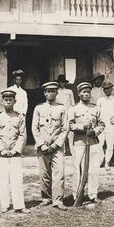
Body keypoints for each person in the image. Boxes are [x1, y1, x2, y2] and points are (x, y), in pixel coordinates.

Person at [0, 89, 30, 213]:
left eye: (10, 100)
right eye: (6, 100)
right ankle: (5, 205)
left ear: (14, 101)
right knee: (3, 180)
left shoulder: (20, 117)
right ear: (2, 101)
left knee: (17, 179)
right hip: (2, 154)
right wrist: (1, 150)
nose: (8, 102)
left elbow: (23, 135)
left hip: (15, 154)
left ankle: (19, 205)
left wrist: (16, 150)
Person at [32, 82, 69, 211]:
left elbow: (65, 129)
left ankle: (58, 200)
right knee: (44, 173)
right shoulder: (39, 108)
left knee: (59, 173)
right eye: (48, 91)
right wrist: (41, 144)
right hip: (42, 147)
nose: (50, 93)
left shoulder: (62, 109)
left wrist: (56, 144)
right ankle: (46, 198)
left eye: (53, 91)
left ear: (56, 93)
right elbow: (34, 128)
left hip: (57, 147)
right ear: (44, 93)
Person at [68, 82, 105, 204]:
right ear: (79, 94)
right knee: (77, 168)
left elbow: (102, 124)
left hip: (93, 142)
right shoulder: (73, 109)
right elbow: (70, 125)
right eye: (83, 92)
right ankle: (77, 194)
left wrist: (94, 131)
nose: (86, 94)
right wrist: (82, 127)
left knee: (94, 169)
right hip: (79, 142)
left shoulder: (95, 108)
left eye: (88, 92)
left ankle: (93, 194)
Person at [96, 81, 114, 169]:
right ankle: (100, 161)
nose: (107, 90)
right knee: (100, 144)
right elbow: (97, 113)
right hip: (102, 125)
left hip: (112, 126)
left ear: (111, 89)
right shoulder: (100, 100)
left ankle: (107, 162)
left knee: (110, 145)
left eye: (108, 88)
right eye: (105, 89)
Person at [56, 74, 76, 158]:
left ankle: (73, 153)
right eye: (60, 82)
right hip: (59, 115)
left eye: (63, 82)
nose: (62, 84)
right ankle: (62, 152)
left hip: (68, 114)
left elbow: (73, 104)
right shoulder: (56, 91)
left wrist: (73, 115)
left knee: (71, 135)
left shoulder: (69, 91)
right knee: (61, 134)